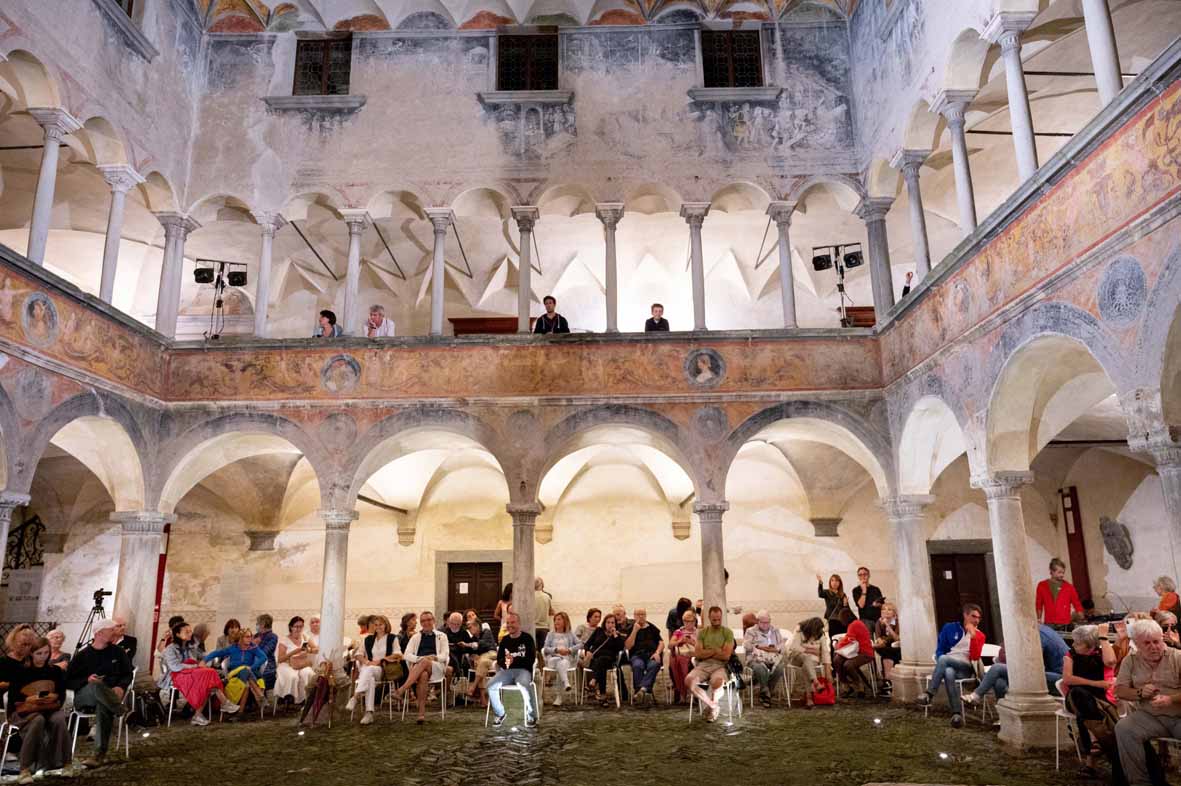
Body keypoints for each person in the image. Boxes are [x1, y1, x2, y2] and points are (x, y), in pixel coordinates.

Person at [1115, 619, 1181, 786]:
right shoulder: (1130, 661)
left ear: (1162, 639)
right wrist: (1139, 693)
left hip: (1178, 716)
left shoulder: (1177, 657)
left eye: (1156, 641)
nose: (1153, 647)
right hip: (1150, 716)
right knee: (1124, 728)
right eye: (1147, 643)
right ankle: (1139, 782)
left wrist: (1170, 699)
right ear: (1136, 644)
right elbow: (1120, 691)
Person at [65, 619, 132, 768]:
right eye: (111, 630)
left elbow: (127, 674)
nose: (114, 632)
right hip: (85, 696)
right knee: (96, 685)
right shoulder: (82, 655)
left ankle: (98, 755)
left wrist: (121, 686)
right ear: (100, 633)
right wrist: (86, 680)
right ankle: (122, 711)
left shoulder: (118, 652)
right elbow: (67, 680)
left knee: (103, 705)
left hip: (109, 696)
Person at [7, 637, 71, 782]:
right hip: (23, 711)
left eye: (46, 653)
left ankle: (66, 763)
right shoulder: (20, 671)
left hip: (49, 708)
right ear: (31, 653)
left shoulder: (55, 670)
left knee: (59, 719)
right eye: (39, 653)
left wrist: (53, 696)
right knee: (38, 720)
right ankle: (25, 769)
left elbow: (61, 694)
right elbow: (13, 697)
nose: (43, 656)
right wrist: (29, 699)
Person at [1061, 623, 1119, 779]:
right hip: (1075, 697)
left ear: (1090, 645)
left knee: (1085, 714)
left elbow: (1111, 662)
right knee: (1081, 696)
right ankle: (1113, 755)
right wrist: (1095, 683)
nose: (1073, 645)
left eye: (1078, 643)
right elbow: (1068, 679)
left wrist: (1103, 638)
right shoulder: (1070, 655)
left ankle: (1091, 761)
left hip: (1100, 700)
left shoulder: (1102, 653)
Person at [965, 622, 1067, 706]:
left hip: (1059, 680)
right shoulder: (1036, 630)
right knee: (999, 680)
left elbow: (1033, 664)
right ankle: (1004, 716)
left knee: (997, 668)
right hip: (1047, 674)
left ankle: (976, 695)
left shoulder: (1038, 635)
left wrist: (1011, 663)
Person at [917, 603, 985, 728]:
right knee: (948, 672)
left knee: (944, 659)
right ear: (965, 615)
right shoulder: (949, 628)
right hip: (949, 664)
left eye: (978, 618)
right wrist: (941, 662)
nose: (976, 620)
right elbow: (940, 650)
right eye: (973, 616)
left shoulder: (980, 635)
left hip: (966, 668)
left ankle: (929, 694)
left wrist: (973, 636)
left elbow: (975, 657)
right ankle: (956, 714)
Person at [158, 622, 239, 725]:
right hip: (177, 676)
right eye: (186, 632)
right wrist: (195, 666)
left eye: (190, 631)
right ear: (178, 634)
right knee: (209, 675)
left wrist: (205, 660)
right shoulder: (170, 648)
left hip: (191, 673)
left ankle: (200, 714)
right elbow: (175, 667)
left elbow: (202, 656)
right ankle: (222, 703)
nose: (190, 633)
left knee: (209, 678)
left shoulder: (191, 646)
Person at [396, 611, 449, 723]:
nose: (426, 623)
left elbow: (445, 655)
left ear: (433, 620)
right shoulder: (415, 637)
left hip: (436, 667)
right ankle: (421, 714)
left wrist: (434, 657)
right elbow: (407, 655)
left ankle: (402, 689)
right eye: (423, 621)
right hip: (419, 668)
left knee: (424, 662)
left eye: (429, 620)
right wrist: (420, 659)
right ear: (420, 623)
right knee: (423, 675)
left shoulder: (442, 636)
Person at [347, 615, 401, 725]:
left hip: (384, 670)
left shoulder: (392, 638)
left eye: (381, 624)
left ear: (386, 625)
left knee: (369, 669)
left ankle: (356, 696)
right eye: (376, 625)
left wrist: (380, 660)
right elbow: (358, 654)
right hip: (369, 670)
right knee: (370, 678)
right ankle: (369, 713)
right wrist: (367, 662)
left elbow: (398, 654)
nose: (378, 627)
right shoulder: (368, 639)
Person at [488, 611, 537, 726]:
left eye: (513, 622)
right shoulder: (505, 640)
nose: (510, 625)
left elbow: (531, 659)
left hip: (523, 671)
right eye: (508, 623)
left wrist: (514, 660)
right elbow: (499, 659)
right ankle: (500, 713)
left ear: (519, 624)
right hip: (507, 672)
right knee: (491, 685)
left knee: (524, 684)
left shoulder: (527, 638)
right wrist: (506, 662)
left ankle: (531, 715)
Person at [686, 606, 735, 722]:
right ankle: (712, 705)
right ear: (709, 618)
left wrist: (707, 652)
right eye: (714, 619)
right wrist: (716, 650)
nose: (717, 622)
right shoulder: (703, 633)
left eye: (719, 619)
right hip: (703, 665)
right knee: (689, 680)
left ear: (721, 617)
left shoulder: (727, 633)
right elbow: (698, 654)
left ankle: (713, 706)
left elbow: (726, 656)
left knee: (717, 683)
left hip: (720, 665)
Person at [203, 628, 267, 714]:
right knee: (245, 670)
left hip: (248, 674)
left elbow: (264, 658)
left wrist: (252, 667)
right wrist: (204, 660)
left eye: (251, 636)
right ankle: (260, 695)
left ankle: (240, 713)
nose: (250, 639)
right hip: (234, 674)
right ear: (241, 638)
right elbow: (216, 653)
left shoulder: (253, 648)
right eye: (247, 637)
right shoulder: (233, 648)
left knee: (246, 681)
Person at [787, 617, 833, 709]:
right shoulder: (800, 631)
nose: (816, 634)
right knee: (807, 658)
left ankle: (809, 698)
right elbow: (794, 646)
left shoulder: (820, 635)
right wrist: (810, 651)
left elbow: (825, 652)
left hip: (812, 661)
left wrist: (828, 672)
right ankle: (815, 683)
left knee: (807, 666)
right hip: (797, 657)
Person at [744, 610, 785, 708]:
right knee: (760, 668)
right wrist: (760, 647)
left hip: (772, 659)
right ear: (757, 621)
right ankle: (766, 692)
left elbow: (783, 647)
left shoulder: (775, 631)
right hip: (755, 659)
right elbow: (747, 646)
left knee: (780, 668)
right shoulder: (751, 631)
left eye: (767, 622)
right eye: (763, 622)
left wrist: (776, 649)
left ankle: (766, 693)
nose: (766, 625)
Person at [832, 608, 874, 698]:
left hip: (865, 653)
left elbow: (849, 640)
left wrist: (837, 645)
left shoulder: (854, 625)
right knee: (837, 660)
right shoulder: (854, 624)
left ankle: (859, 685)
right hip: (855, 652)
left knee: (848, 665)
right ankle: (846, 685)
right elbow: (848, 638)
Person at [585, 613, 626, 705]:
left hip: (610, 661)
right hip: (596, 660)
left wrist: (615, 635)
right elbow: (587, 644)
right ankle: (603, 696)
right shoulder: (598, 631)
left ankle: (594, 680)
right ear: (604, 623)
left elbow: (620, 648)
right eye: (608, 622)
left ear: (615, 624)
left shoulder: (617, 635)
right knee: (601, 665)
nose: (610, 624)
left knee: (603, 660)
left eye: (612, 623)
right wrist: (587, 651)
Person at [275, 616, 317, 705]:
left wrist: (308, 650)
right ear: (291, 627)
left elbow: (316, 649)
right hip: (287, 664)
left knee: (308, 673)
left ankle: (305, 698)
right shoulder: (284, 640)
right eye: (296, 626)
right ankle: (288, 697)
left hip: (301, 664)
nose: (299, 629)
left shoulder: (305, 637)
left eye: (301, 626)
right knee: (293, 677)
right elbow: (280, 659)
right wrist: (294, 652)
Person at [625, 608, 664, 702]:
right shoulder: (630, 628)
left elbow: (661, 642)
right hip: (637, 655)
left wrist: (657, 653)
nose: (640, 616)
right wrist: (635, 631)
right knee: (638, 666)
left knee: (654, 665)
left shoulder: (652, 628)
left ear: (646, 616)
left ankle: (641, 690)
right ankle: (644, 690)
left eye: (642, 614)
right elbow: (628, 646)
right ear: (634, 616)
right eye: (638, 614)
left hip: (652, 654)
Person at [543, 611, 580, 706]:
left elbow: (580, 644)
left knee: (561, 664)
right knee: (559, 662)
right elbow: (545, 648)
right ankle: (566, 682)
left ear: (565, 621)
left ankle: (559, 697)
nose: (556, 622)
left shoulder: (570, 634)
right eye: (555, 620)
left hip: (566, 660)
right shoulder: (550, 634)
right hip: (552, 659)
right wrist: (556, 650)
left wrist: (569, 650)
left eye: (559, 619)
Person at [1035, 557, 1084, 626]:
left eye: (1063, 572)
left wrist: (1081, 617)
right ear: (1052, 571)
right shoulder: (1042, 585)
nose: (1062, 575)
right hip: (1049, 623)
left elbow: (1077, 603)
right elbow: (1039, 604)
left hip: (1065, 624)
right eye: (1059, 572)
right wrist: (1039, 619)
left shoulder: (1069, 587)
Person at [465, 619, 498, 706]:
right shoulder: (473, 638)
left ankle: (473, 686)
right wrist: (473, 655)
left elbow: (482, 644)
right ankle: (483, 699)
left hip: (492, 655)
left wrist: (470, 645)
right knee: (481, 663)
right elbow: (471, 651)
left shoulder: (486, 632)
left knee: (480, 662)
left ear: (477, 626)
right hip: (485, 661)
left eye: (470, 627)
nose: (469, 630)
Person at [669, 608, 699, 704]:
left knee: (682, 661)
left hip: (694, 656)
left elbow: (702, 648)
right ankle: (683, 692)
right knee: (677, 660)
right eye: (686, 621)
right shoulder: (679, 631)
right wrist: (679, 641)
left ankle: (685, 693)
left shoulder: (698, 632)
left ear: (694, 621)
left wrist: (691, 642)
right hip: (682, 656)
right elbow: (670, 645)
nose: (688, 623)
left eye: (690, 621)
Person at [874, 602, 901, 695]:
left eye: (889, 609)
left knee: (887, 654)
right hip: (884, 647)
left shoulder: (897, 621)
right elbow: (878, 637)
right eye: (884, 609)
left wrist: (887, 625)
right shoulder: (878, 622)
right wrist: (880, 641)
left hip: (896, 646)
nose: (886, 611)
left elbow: (897, 638)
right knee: (884, 651)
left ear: (894, 613)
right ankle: (888, 682)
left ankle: (887, 681)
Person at [442, 611, 475, 679]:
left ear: (461, 623)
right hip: (446, 656)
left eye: (457, 624)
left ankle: (457, 671)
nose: (454, 626)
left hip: (459, 655)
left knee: (452, 652)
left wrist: (464, 645)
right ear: (449, 622)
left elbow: (470, 648)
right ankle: (458, 671)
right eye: (452, 623)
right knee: (450, 651)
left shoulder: (464, 632)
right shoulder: (444, 632)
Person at [254, 614, 279, 690]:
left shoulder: (273, 637)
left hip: (267, 666)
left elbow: (264, 652)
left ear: (263, 624)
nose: (256, 625)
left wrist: (255, 645)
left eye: (257, 623)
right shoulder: (256, 635)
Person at [534, 578, 552, 652]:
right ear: (542, 585)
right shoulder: (547, 597)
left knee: (533, 650)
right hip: (544, 627)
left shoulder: (530, 596)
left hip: (533, 627)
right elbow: (550, 611)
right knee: (543, 651)